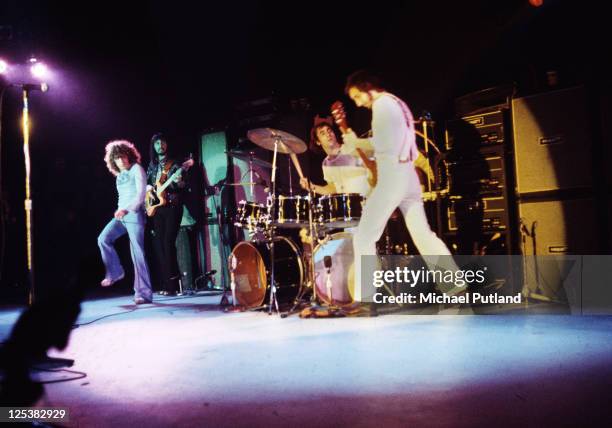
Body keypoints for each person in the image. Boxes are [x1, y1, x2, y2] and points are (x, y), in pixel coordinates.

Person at [340, 70, 458, 302]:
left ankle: (365, 300)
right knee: (423, 234)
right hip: (408, 176)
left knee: (364, 236)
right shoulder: (397, 103)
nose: (358, 103)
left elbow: (384, 144)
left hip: (393, 176)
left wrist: (356, 142)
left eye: (356, 96)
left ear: (366, 88)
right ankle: (454, 285)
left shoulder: (382, 105)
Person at [98, 140, 153, 304]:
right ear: (113, 162)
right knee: (103, 239)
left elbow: (140, 195)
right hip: (122, 215)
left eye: (123, 157)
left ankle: (143, 293)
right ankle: (115, 272)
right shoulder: (119, 176)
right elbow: (123, 197)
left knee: (137, 253)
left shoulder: (137, 169)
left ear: (129, 156)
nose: (121, 161)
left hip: (135, 214)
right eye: (117, 158)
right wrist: (119, 210)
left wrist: (127, 210)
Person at [146, 133, 190, 296]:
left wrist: (179, 180)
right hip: (158, 208)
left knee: (168, 243)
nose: (160, 146)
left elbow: (182, 184)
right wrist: (149, 190)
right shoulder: (152, 164)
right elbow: (149, 184)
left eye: (162, 142)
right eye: (157, 143)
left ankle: (174, 285)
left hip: (172, 206)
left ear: (167, 144)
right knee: (159, 245)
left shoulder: (176, 164)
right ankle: (166, 284)